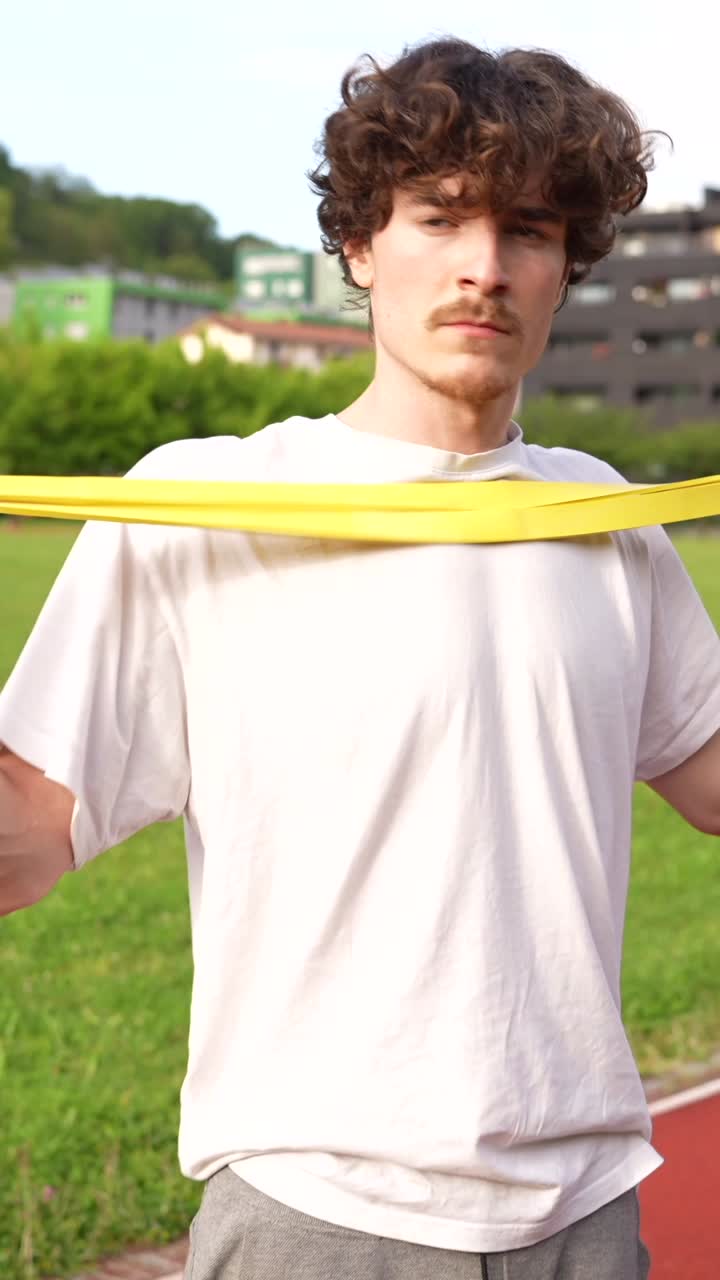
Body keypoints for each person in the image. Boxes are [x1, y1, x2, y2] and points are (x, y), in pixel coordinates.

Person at [1, 36, 720, 1280]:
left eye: (531, 231)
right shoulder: (205, 502)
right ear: (360, 246)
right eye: (441, 216)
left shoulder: (607, 518)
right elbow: (30, 820)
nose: (485, 268)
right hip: (316, 1218)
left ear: (566, 271)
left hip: (589, 1213)